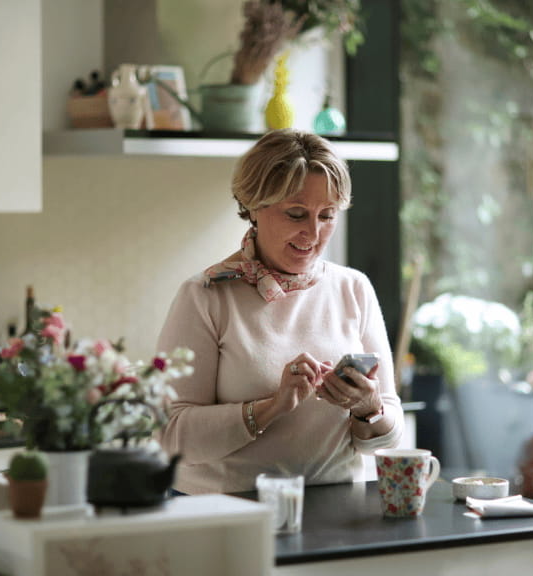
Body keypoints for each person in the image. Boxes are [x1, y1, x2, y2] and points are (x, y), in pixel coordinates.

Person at [156, 128, 404, 494]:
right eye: (296, 214)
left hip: (336, 511)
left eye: (327, 215)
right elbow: (170, 436)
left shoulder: (353, 288)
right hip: (232, 512)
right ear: (254, 207)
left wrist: (369, 407)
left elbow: (389, 435)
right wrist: (271, 408)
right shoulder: (205, 296)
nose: (313, 233)